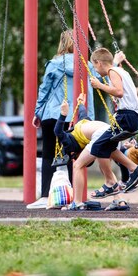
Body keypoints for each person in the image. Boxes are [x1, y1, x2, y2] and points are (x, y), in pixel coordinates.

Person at [70, 48, 138, 206]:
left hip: (126, 117)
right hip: (133, 118)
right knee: (106, 146)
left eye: (95, 66)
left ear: (98, 62)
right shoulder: (117, 70)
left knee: (98, 146)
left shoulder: (113, 71)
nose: (95, 71)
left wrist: (99, 86)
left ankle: (111, 183)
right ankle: (135, 170)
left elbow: (118, 92)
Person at [30, 30, 95, 209]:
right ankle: (76, 196)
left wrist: (37, 112)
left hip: (53, 113)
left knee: (48, 153)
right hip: (76, 115)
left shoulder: (54, 64)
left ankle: (44, 195)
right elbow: (90, 91)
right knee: (75, 155)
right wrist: (89, 118)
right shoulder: (87, 65)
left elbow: (45, 89)